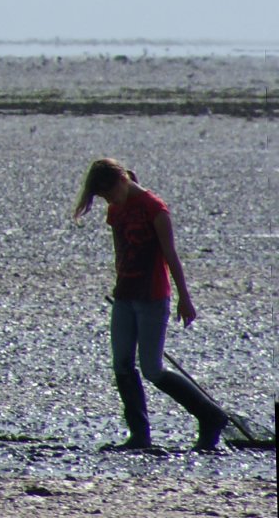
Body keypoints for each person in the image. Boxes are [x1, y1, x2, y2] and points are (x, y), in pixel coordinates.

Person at [72, 158, 225, 453]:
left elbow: (171, 256)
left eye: (108, 193)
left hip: (153, 296)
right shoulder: (115, 209)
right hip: (125, 296)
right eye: (103, 197)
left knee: (152, 369)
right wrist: (120, 285)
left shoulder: (155, 208)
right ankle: (139, 436)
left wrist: (185, 298)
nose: (109, 200)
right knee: (122, 364)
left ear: (121, 181)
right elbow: (121, 252)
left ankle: (211, 417)